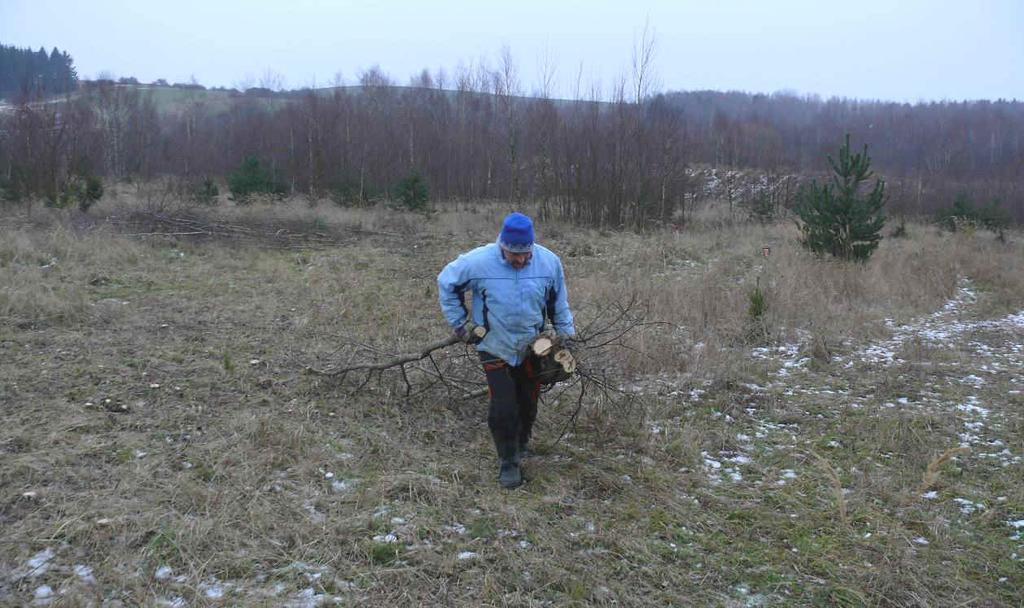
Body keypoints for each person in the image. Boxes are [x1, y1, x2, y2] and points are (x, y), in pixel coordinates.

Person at [437, 212, 576, 489]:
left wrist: (566, 333)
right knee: (504, 405)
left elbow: (558, 301)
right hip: (493, 345)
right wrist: (461, 324)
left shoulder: (549, 262)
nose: (521, 259)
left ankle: (521, 443)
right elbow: (446, 282)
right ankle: (508, 461)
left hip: (534, 346)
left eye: (525, 254)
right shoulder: (477, 262)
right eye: (514, 254)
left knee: (528, 400)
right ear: (502, 245)